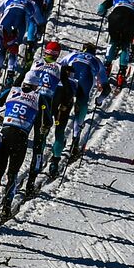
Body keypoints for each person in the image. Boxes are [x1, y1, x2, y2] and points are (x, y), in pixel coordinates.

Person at [50, 43, 108, 174]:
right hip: (83, 87)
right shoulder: (97, 61)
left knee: (60, 123)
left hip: (66, 89)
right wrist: (99, 100)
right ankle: (75, 143)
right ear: (94, 52)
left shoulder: (72, 54)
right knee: (79, 114)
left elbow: (57, 69)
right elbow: (106, 88)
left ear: (83, 49)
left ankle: (55, 160)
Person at [0, 78, 42, 216]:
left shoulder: (11, 90)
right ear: (35, 86)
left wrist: (2, 119)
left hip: (5, 134)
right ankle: (7, 206)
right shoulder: (38, 98)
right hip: (21, 138)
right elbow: (46, 122)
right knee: (12, 174)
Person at [21, 41, 65, 194]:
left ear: (45, 52)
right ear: (58, 55)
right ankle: (31, 181)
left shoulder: (36, 63)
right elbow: (63, 90)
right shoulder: (59, 68)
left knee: (21, 137)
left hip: (30, 101)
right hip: (45, 105)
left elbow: (24, 80)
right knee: (39, 144)